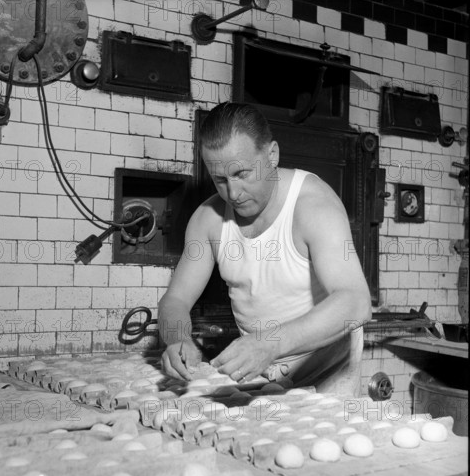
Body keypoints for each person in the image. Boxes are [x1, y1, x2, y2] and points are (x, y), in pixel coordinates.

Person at [158, 102, 372, 395]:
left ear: (272, 154)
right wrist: (177, 338)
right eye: (220, 179)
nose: (233, 193)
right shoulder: (207, 219)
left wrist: (270, 342)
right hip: (261, 370)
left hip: (327, 371)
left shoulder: (312, 205)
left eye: (242, 174)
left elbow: (356, 302)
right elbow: (176, 299)